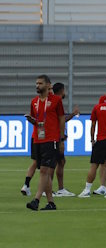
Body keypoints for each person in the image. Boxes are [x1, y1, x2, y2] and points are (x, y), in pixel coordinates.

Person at [25, 75, 66, 211]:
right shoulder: (34, 101)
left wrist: (61, 139)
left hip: (52, 139)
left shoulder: (56, 100)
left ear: (49, 85)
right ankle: (51, 203)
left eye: (40, 83)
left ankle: (36, 199)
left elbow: (61, 119)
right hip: (38, 139)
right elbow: (36, 120)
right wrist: (31, 120)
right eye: (36, 83)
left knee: (44, 170)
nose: (37, 86)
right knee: (45, 172)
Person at [48, 82, 79, 198]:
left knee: (61, 162)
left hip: (56, 136)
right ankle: (50, 189)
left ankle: (59, 189)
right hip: (56, 137)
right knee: (54, 163)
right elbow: (60, 119)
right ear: (62, 90)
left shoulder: (53, 100)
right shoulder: (57, 101)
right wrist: (73, 114)